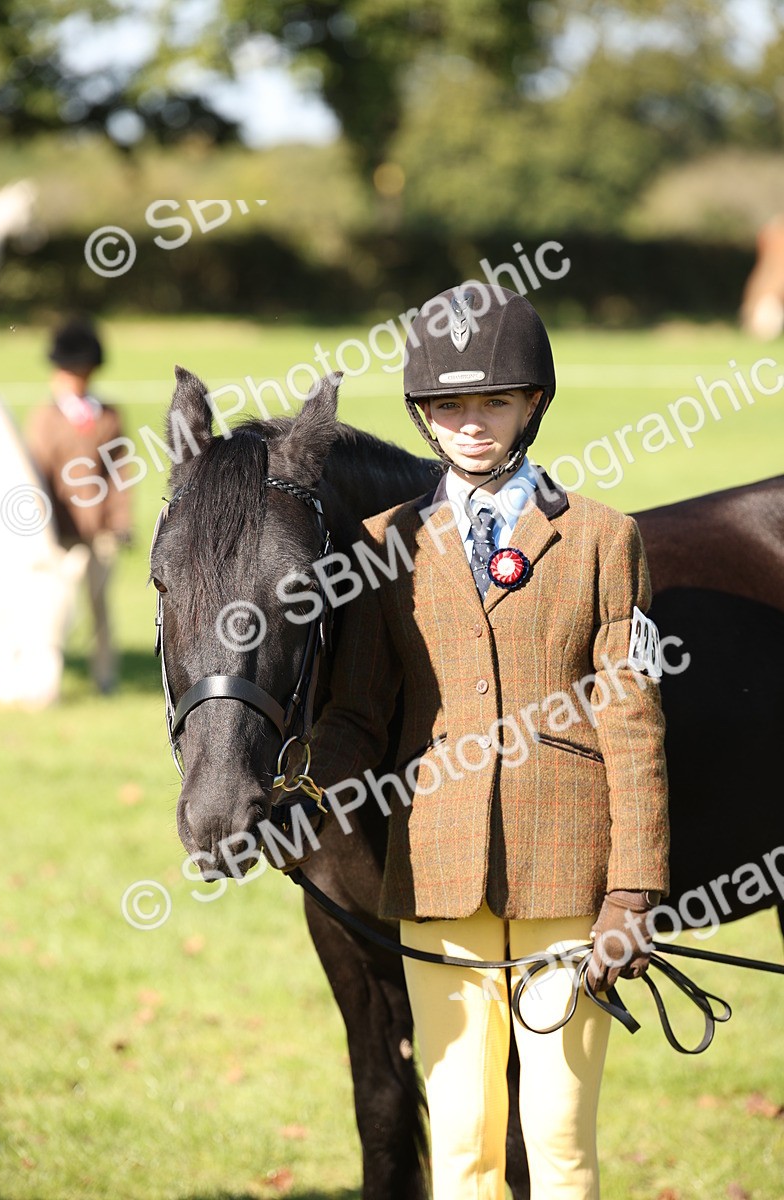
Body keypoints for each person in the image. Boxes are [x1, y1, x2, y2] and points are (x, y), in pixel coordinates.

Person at [298, 285, 670, 1199]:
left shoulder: (602, 540)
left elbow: (633, 723)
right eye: (450, 406)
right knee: (463, 1139)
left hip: (569, 875)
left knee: (558, 1137)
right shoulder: (385, 545)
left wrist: (633, 890)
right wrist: (291, 787)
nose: (472, 424)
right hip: (438, 878)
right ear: (424, 415)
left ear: (533, 404)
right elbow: (358, 716)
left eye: (494, 402)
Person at [25, 317, 132, 693]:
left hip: (99, 529)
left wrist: (121, 521)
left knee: (102, 609)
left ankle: (106, 677)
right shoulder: (44, 420)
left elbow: (119, 472)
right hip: (60, 532)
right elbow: (36, 478)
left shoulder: (108, 415)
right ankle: (47, 677)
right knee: (56, 608)